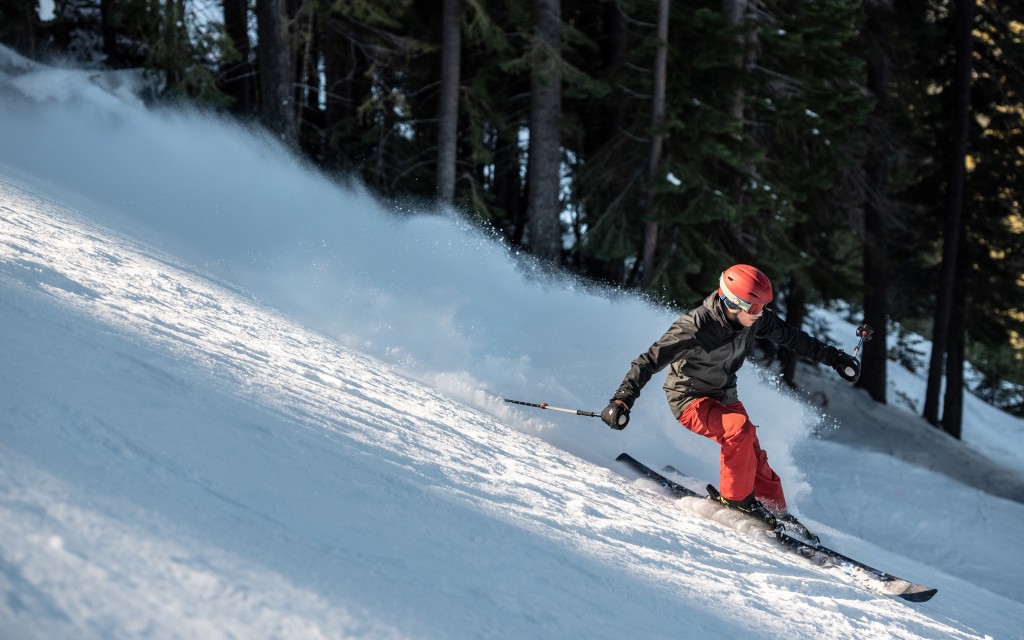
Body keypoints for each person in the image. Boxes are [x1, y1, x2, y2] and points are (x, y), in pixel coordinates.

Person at [600, 264, 860, 531]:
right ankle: (736, 501)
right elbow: (647, 361)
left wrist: (835, 358)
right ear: (733, 303)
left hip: (724, 394)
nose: (760, 314)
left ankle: (773, 508)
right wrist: (622, 400)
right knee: (739, 431)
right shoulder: (694, 327)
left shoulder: (751, 320)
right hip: (689, 399)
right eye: (755, 308)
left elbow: (793, 338)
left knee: (752, 449)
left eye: (762, 308)